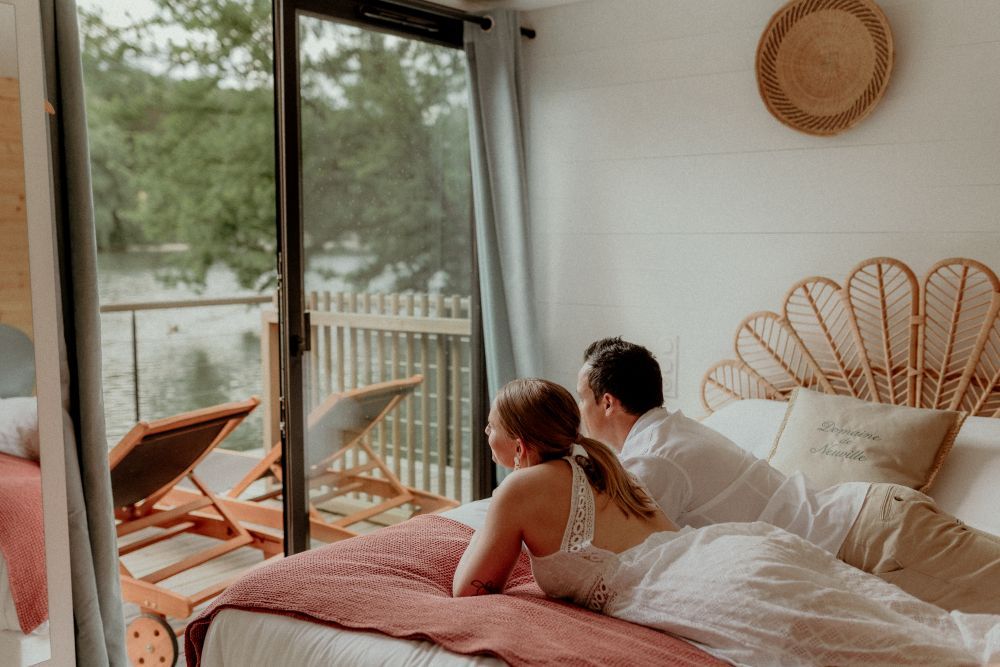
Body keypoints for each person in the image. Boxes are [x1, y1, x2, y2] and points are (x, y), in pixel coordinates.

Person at [452, 378, 1000, 667]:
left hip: (729, 568)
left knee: (855, 645)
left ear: (519, 442)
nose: (484, 434)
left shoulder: (521, 486)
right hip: (723, 552)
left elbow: (468, 588)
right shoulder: (601, 460)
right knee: (892, 624)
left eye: (490, 427)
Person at [577, 336, 1000, 614]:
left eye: (583, 399)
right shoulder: (672, 431)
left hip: (874, 541)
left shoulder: (655, 459)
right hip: (873, 529)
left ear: (609, 402)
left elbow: (623, 560)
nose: (581, 412)